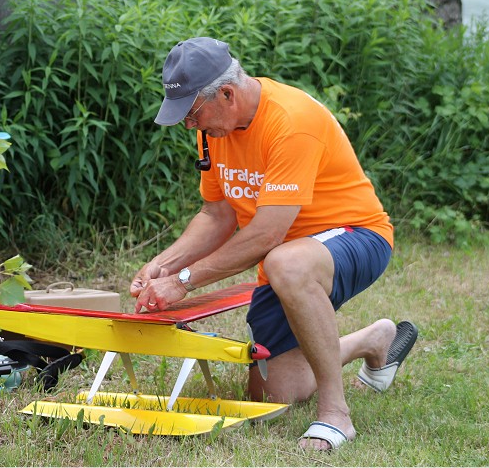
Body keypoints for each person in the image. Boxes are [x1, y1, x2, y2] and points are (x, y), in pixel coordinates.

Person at [129, 37, 417, 451]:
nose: (190, 126)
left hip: (357, 235)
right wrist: (164, 265)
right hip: (289, 256)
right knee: (272, 394)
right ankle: (372, 341)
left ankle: (336, 415)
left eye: (192, 114)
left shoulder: (291, 120)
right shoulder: (216, 129)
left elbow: (267, 235)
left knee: (285, 262)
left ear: (226, 94)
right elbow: (218, 214)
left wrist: (185, 281)